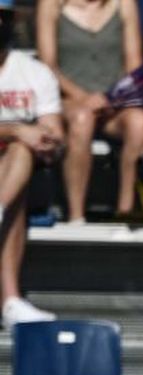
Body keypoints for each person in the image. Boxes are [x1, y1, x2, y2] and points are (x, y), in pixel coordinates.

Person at [36, 0, 143, 223]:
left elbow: (134, 65)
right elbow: (47, 65)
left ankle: (126, 212)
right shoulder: (50, 5)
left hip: (114, 101)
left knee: (140, 122)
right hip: (67, 99)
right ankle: (76, 215)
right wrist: (82, 98)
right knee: (82, 118)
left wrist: (113, 97)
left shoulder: (124, 4)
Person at [0, 0, 65, 330]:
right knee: (17, 153)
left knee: (21, 155)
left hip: (25, 175)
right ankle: (9, 300)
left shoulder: (35, 72)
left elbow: (54, 131)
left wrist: (47, 139)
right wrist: (15, 129)